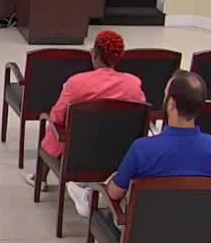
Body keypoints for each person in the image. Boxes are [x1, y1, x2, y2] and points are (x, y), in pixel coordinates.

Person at [94, 70, 211, 214]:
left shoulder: (142, 149)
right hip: (198, 227)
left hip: (147, 227)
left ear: (171, 104)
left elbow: (115, 194)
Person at [26, 30, 145, 188]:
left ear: (94, 54)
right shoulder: (133, 84)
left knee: (54, 128)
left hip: (79, 154)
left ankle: (40, 178)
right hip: (118, 153)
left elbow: (57, 117)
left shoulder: (76, 82)